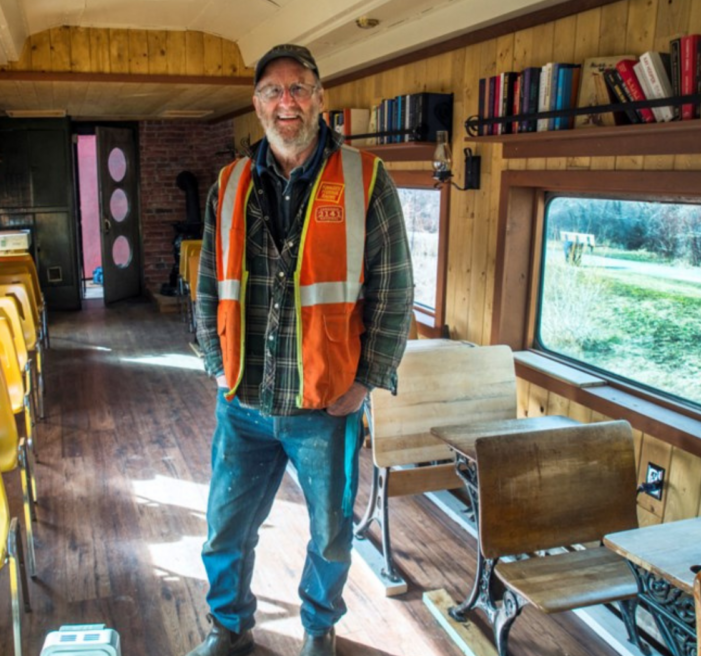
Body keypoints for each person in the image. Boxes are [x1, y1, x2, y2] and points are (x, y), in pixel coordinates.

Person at [188, 43, 414, 656]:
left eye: (298, 88)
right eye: (272, 91)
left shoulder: (368, 177)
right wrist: (215, 363)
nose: (285, 101)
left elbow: (395, 291)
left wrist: (366, 382)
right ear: (257, 104)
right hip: (244, 401)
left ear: (319, 98)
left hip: (327, 404)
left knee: (332, 534)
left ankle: (319, 628)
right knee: (224, 533)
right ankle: (229, 627)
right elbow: (208, 283)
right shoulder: (229, 184)